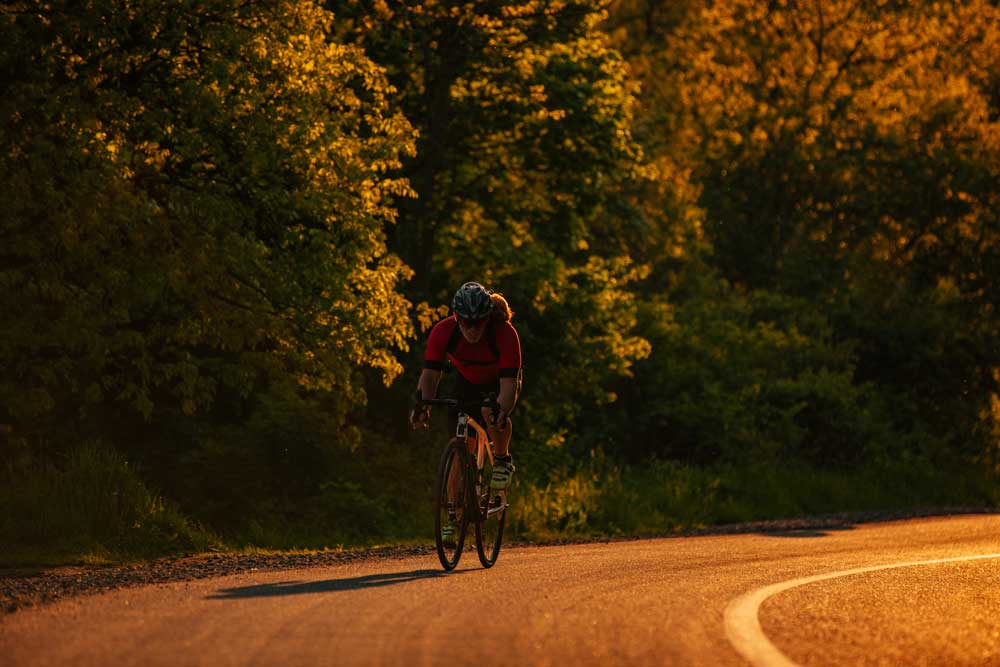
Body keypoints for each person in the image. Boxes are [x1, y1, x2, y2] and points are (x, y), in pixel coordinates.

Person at [411, 281, 522, 492]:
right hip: (467, 381)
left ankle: (502, 460)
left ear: (488, 318)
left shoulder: (504, 333)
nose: (472, 329)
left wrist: (500, 411)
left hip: (500, 381)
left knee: (491, 412)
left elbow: (509, 385)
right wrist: (423, 406)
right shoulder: (443, 331)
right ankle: (455, 515)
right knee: (462, 447)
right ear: (456, 317)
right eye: (465, 322)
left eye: (478, 323)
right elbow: (430, 374)